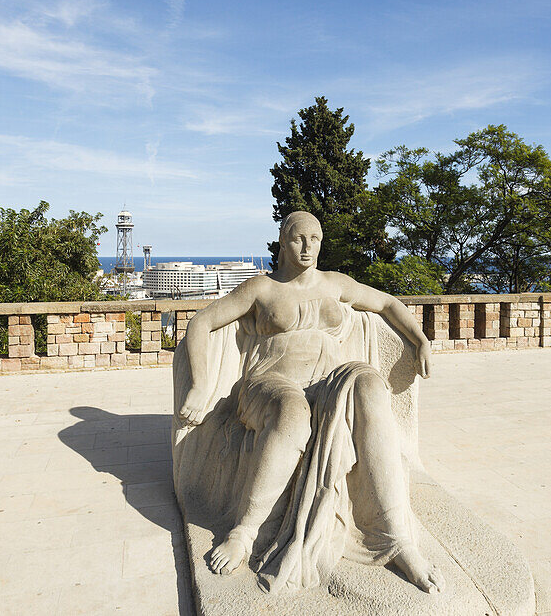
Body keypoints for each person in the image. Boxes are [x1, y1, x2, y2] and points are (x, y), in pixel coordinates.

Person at [175, 211, 442, 593]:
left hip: (332, 381)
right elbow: (200, 323)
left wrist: (420, 339)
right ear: (283, 242)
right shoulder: (261, 288)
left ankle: (396, 539)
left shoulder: (334, 283)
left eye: (315, 239)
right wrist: (200, 386)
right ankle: (245, 532)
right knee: (292, 414)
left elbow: (386, 304)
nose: (308, 247)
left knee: (369, 386)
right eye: (300, 238)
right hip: (271, 383)